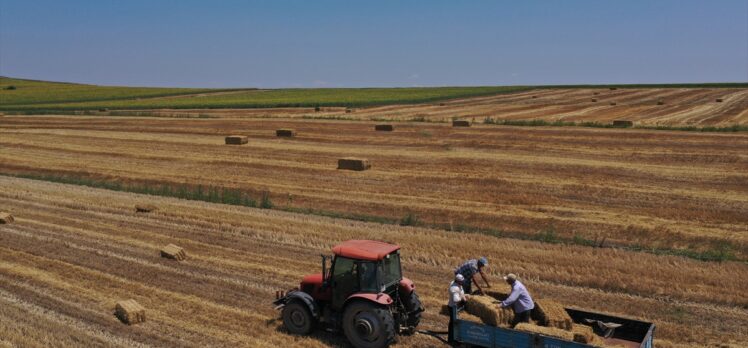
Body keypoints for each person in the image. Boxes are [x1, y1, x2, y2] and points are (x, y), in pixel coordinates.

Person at [447, 274, 468, 344]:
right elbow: (456, 300)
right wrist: (463, 299)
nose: (463, 282)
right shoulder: (455, 288)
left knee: (455, 323)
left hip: (456, 307)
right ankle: (451, 340)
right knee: (453, 324)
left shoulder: (456, 283)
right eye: (461, 281)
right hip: (453, 307)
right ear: (458, 281)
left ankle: (455, 338)